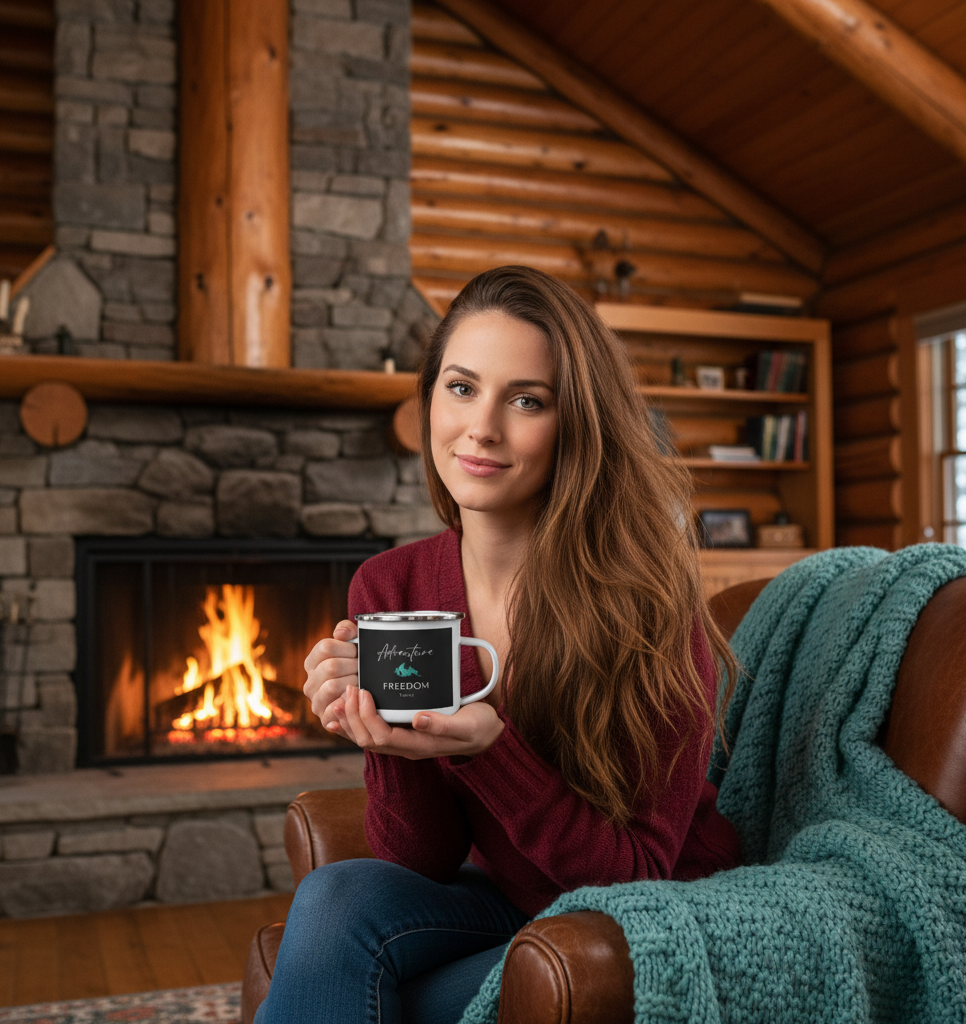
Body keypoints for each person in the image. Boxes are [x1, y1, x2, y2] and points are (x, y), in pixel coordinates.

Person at [254, 265, 742, 1024]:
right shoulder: (390, 587)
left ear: (574, 423)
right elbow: (419, 861)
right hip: (506, 897)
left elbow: (635, 874)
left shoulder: (647, 602)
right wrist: (387, 739)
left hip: (644, 917)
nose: (481, 427)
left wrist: (490, 752)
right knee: (336, 896)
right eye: (460, 387)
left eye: (526, 400)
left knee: (381, 1000)